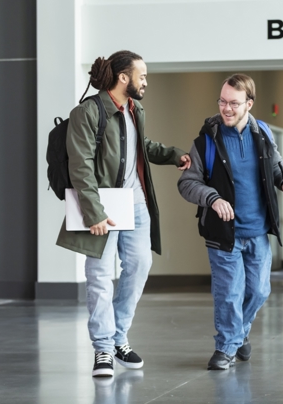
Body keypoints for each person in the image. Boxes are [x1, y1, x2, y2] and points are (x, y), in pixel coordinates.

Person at [56, 50, 191, 377]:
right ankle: (103, 349)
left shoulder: (134, 109)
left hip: (135, 203)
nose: (146, 81)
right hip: (102, 206)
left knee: (140, 264)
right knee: (100, 277)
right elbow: (81, 167)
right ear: (123, 77)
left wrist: (174, 155)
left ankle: (118, 337)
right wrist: (94, 214)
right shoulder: (88, 112)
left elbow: (139, 146)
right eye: (141, 75)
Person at [178, 73, 283, 370]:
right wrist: (212, 198)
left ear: (249, 104)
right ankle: (226, 347)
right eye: (222, 101)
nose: (226, 108)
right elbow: (187, 183)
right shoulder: (206, 140)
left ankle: (239, 334)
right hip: (223, 234)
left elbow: (278, 167)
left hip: (258, 231)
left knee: (259, 291)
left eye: (233, 103)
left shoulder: (264, 134)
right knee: (229, 292)